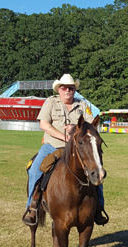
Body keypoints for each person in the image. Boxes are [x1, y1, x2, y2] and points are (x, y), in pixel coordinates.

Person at [23, 74, 108, 225]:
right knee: (35, 169)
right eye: (65, 88)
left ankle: (99, 208)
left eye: (71, 88)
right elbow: (44, 124)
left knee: (96, 170)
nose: (68, 90)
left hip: (77, 149)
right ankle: (32, 207)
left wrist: (75, 129)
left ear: (74, 90)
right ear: (59, 89)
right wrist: (63, 137)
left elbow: (92, 127)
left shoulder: (83, 105)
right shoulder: (50, 102)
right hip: (52, 145)